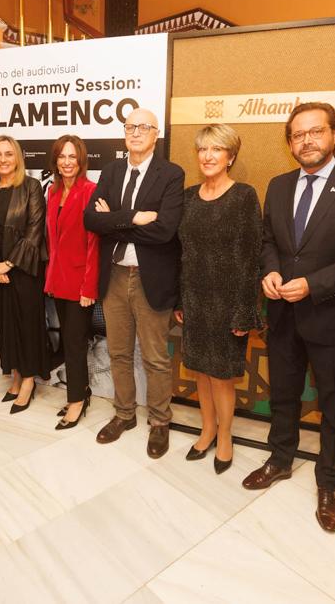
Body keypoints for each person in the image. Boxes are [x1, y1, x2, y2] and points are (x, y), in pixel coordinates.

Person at [242, 102, 335, 533]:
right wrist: (268, 271)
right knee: (283, 396)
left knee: (334, 405)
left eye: (315, 131)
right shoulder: (279, 185)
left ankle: (328, 482)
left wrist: (314, 284)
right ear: (289, 142)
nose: (306, 140)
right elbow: (269, 240)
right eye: (297, 134)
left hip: (334, 319)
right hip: (283, 316)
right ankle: (281, 459)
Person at [84, 108, 184, 458]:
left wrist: (115, 219)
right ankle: (124, 414)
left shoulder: (171, 174)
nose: (136, 132)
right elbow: (91, 220)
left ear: (156, 134)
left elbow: (165, 230)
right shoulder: (111, 171)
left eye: (144, 127)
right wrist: (134, 218)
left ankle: (159, 422)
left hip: (149, 279)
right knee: (119, 353)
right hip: (113, 277)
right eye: (130, 126)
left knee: (156, 357)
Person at [175, 124, 262, 474]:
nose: (208, 156)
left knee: (222, 376)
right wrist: (181, 300)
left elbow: (251, 256)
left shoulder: (244, 196)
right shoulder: (188, 196)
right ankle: (206, 429)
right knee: (199, 370)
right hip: (194, 297)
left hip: (228, 302)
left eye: (216, 149)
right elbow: (182, 253)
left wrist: (245, 311)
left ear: (231, 156)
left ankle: (225, 436)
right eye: (202, 149)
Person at [0, 135, 49, 413]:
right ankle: (16, 375)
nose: (3, 160)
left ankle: (29, 379)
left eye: (8, 154)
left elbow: (35, 230)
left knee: (27, 325)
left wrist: (8, 264)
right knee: (7, 325)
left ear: (18, 158)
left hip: (24, 269)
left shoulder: (31, 187)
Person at [44, 135, 99, 429]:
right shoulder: (53, 192)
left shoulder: (90, 191)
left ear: (81, 161)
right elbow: (53, 242)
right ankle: (80, 392)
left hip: (80, 285)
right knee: (69, 340)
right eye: (62, 157)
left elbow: (94, 243)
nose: (67, 162)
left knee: (75, 345)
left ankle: (77, 401)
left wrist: (89, 288)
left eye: (72, 157)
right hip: (58, 280)